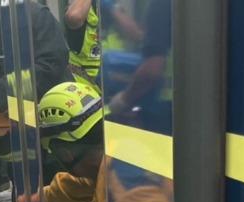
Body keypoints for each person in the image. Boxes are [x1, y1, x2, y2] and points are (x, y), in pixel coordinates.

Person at [106, 0, 171, 132]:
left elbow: (151, 70)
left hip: (165, 107)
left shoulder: (162, 4)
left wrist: (122, 101)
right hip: (193, 104)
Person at [63, 0, 141, 85]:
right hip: (85, 89)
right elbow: (74, 16)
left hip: (111, 87)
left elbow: (137, 34)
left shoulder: (113, 11)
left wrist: (113, 9)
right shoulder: (83, 12)